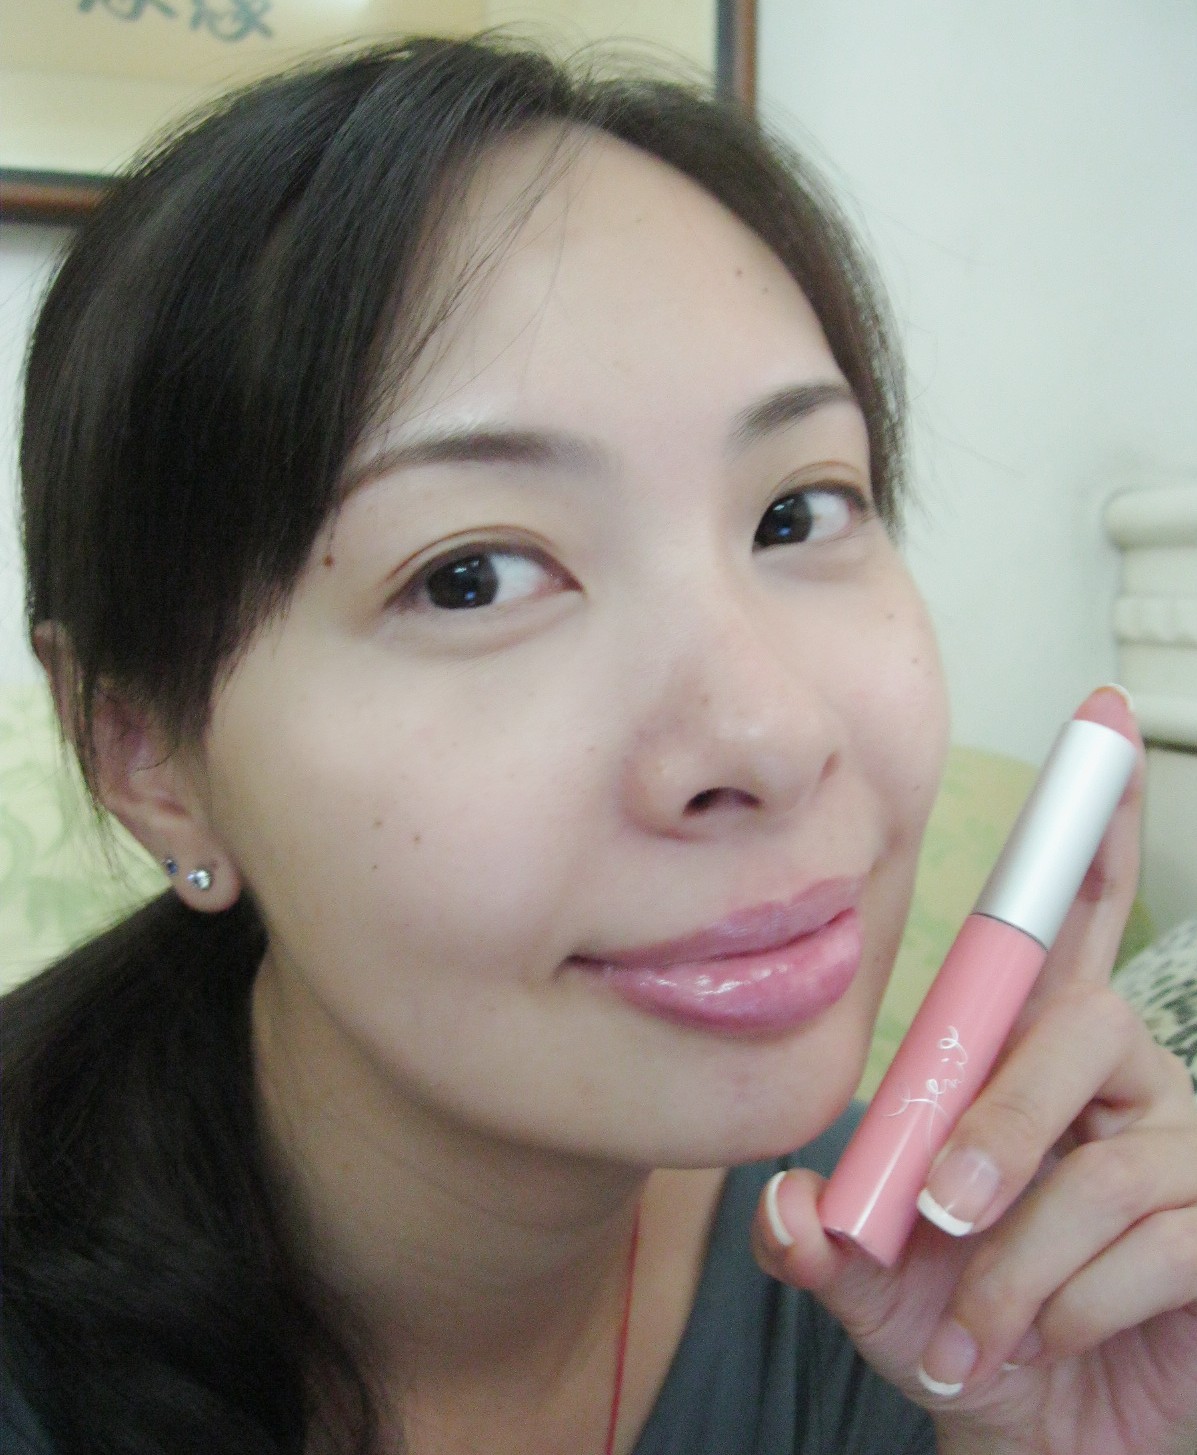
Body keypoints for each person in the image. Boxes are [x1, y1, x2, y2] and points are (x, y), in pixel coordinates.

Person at [3, 34, 1196, 1455]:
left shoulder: (928, 1295)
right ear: (146, 754)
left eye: (798, 512)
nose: (769, 736)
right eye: (472, 578)